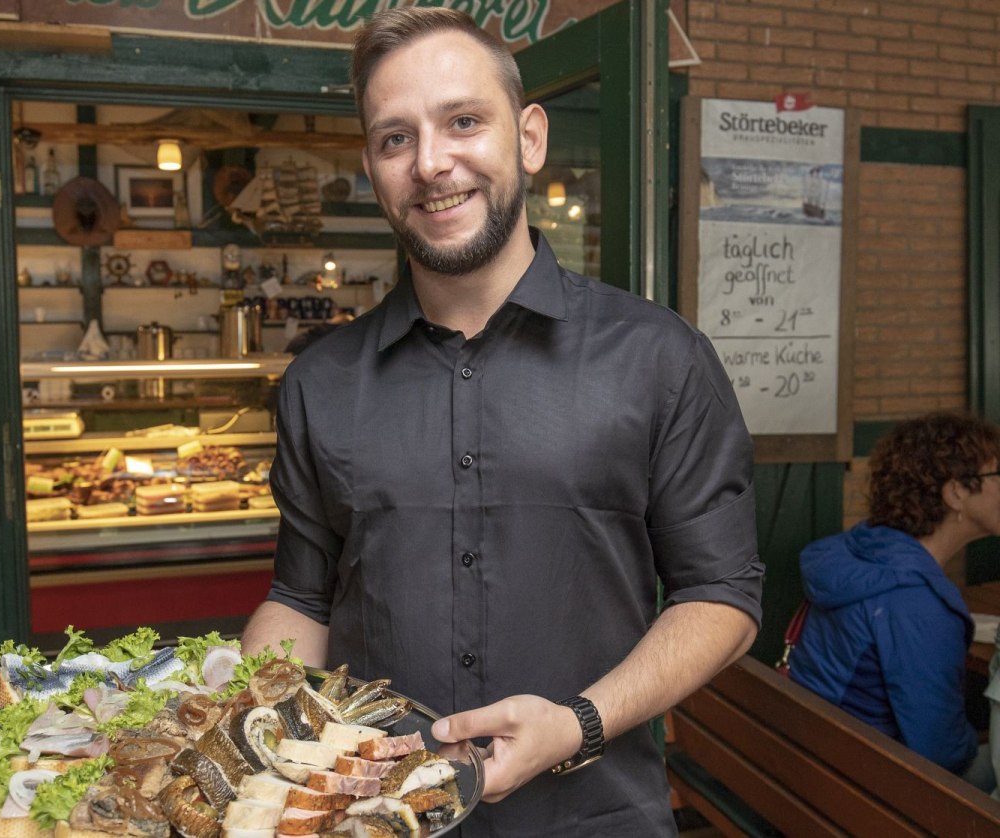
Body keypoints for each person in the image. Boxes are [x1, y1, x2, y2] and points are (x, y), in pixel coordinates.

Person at [241, 8, 763, 834]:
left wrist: (577, 723)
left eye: (463, 121)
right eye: (395, 138)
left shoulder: (661, 357)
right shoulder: (319, 384)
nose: (432, 163)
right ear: (374, 169)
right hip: (372, 820)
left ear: (528, 138)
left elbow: (722, 595)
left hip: (596, 819)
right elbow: (300, 598)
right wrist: (247, 720)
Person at [789, 412, 1000, 791]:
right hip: (866, 792)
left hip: (812, 766)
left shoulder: (861, 552)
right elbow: (941, 753)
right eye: (996, 477)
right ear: (955, 493)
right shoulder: (915, 602)